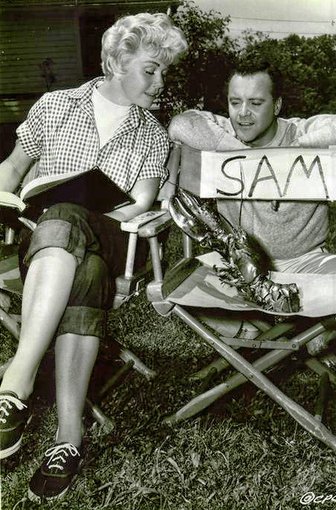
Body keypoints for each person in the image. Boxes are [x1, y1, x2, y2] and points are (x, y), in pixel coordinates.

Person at [0, 12, 187, 501]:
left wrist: (88, 210)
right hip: (45, 249)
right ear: (117, 62)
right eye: (151, 69)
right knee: (80, 260)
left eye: (165, 72)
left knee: (69, 216)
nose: (160, 82)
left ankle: (15, 384)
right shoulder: (56, 106)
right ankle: (68, 440)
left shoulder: (152, 134)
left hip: (115, 238)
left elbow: (140, 202)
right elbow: (13, 169)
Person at [168, 55, 336, 337]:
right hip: (235, 265)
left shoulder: (301, 131)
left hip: (307, 263)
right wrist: (240, 153)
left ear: (277, 105)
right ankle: (251, 333)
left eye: (256, 103)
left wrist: (298, 149)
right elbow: (181, 124)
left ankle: (311, 337)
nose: (243, 113)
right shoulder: (223, 133)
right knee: (177, 282)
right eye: (235, 102)